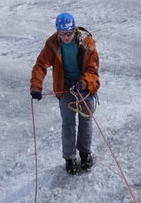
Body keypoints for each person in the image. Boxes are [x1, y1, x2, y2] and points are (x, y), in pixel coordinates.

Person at [29, 11, 100, 175]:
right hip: (65, 88)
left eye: (69, 33)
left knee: (86, 121)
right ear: (58, 32)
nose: (66, 37)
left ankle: (85, 153)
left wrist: (84, 83)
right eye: (62, 34)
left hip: (85, 86)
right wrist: (36, 86)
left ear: (74, 31)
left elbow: (93, 69)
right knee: (68, 124)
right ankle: (69, 158)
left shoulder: (87, 43)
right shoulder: (53, 44)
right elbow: (40, 65)